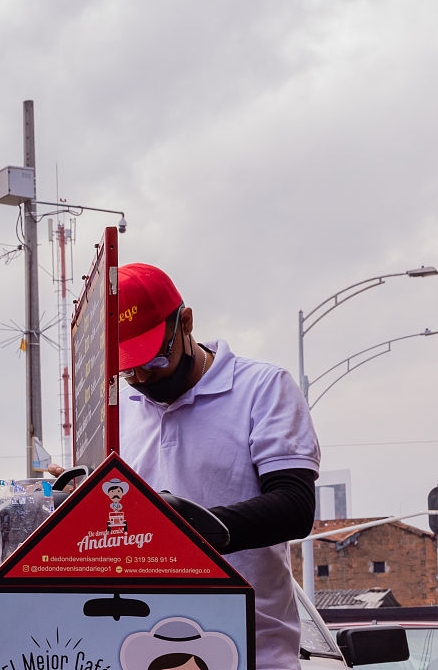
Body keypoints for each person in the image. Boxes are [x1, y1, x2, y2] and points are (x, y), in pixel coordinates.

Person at [114, 263, 319, 670]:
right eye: (127, 368)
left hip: (253, 651)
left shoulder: (262, 389)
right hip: (143, 646)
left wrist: (185, 528)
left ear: (185, 323)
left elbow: (295, 506)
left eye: (153, 359)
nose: (140, 378)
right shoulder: (119, 418)